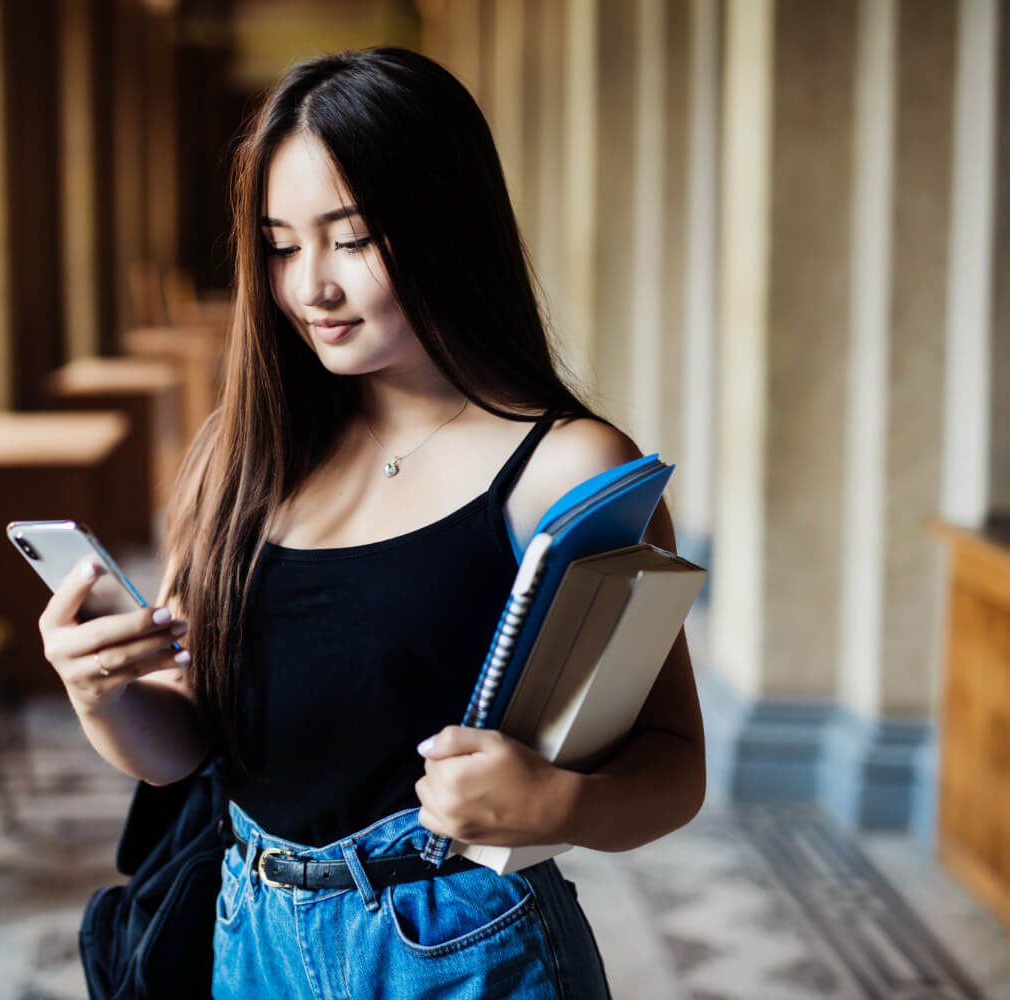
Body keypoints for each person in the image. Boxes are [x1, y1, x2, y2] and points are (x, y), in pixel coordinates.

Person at [39, 47, 705, 999]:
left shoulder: (568, 470)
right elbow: (185, 746)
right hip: (251, 937)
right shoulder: (242, 454)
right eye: (280, 244)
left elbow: (676, 768)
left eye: (349, 238)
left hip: (462, 948)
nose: (311, 287)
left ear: (449, 227)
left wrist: (558, 802)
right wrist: (99, 691)